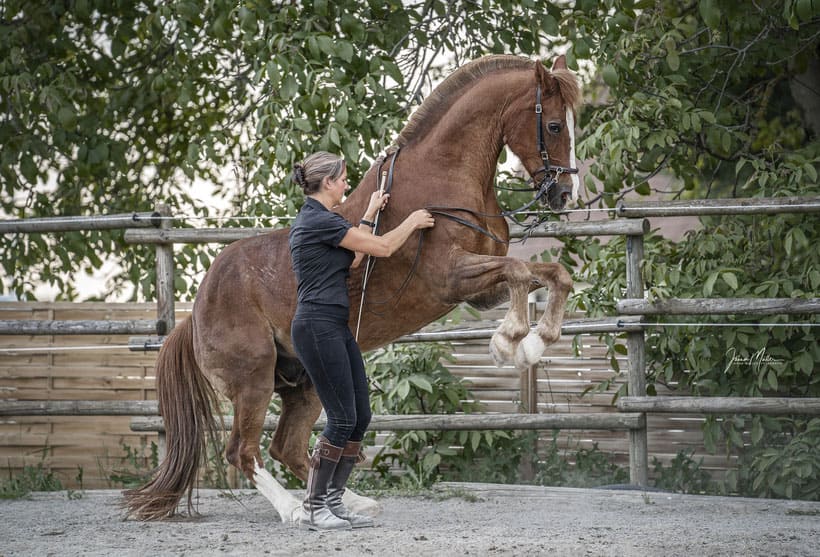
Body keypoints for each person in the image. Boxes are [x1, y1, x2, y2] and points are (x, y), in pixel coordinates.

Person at [288, 151, 435, 531]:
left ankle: (333, 502)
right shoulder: (315, 220)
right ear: (326, 182)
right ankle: (314, 506)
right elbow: (383, 248)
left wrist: (369, 210)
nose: (346, 186)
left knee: (360, 416)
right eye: (342, 180)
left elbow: (354, 258)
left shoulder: (326, 221)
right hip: (316, 326)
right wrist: (413, 222)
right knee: (340, 417)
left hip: (333, 324)